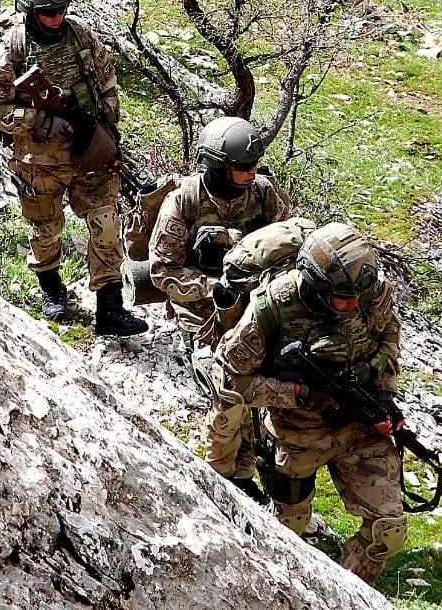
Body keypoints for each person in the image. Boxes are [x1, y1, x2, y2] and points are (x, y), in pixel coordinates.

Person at [215, 222, 407, 584]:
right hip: (298, 430)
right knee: (287, 529)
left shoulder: (368, 292)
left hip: (360, 428)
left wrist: (383, 401)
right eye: (342, 298)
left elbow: (389, 339)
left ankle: (347, 589)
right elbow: (231, 379)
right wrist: (300, 395)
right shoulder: (272, 307)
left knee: (390, 530)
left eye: (356, 298)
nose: (352, 306)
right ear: (317, 287)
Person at [0, 0, 148, 336]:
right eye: (47, 13)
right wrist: (39, 121)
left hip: (89, 149)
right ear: (30, 10)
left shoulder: (81, 36)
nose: (56, 18)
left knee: (106, 223)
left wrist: (109, 131)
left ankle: (110, 307)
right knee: (47, 229)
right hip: (40, 160)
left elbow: (106, 82)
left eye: (61, 11)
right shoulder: (12, 51)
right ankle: (52, 287)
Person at [149, 116, 288, 502]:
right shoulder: (185, 201)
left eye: (253, 166)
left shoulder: (263, 195)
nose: (251, 173)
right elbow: (163, 271)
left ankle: (247, 471)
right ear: (217, 165)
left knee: (259, 387)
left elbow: (288, 245)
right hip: (202, 312)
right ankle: (221, 478)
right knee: (228, 391)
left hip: (254, 305)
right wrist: (213, 289)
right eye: (242, 167)